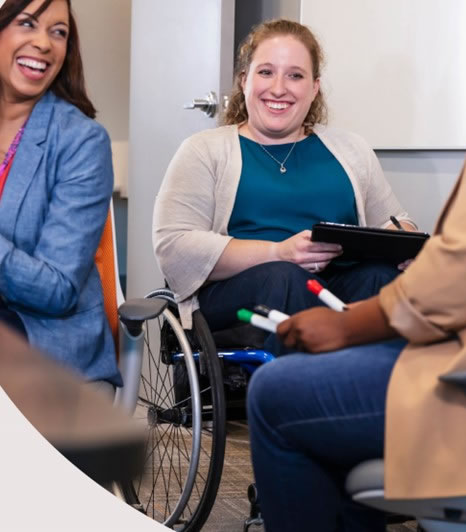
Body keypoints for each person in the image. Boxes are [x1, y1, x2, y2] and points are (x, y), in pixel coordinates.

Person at [247, 0, 466, 531]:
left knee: (276, 394)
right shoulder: (207, 150)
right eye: (266, 72)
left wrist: (345, 323)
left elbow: (462, 273)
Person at [152, 19, 416, 345]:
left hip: (334, 288)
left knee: (383, 278)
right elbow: (174, 247)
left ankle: (374, 387)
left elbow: (393, 221)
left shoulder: (352, 150)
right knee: (287, 278)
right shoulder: (204, 151)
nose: (279, 88)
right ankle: (309, 388)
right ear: (244, 80)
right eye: (266, 72)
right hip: (248, 296)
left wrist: (406, 243)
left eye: (295, 75)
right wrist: (279, 251)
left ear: (314, 87)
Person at [0, 0, 119, 386]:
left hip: (41, 335)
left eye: (59, 32)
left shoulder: (81, 142)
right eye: (27, 23)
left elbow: (56, 290)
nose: (44, 42)